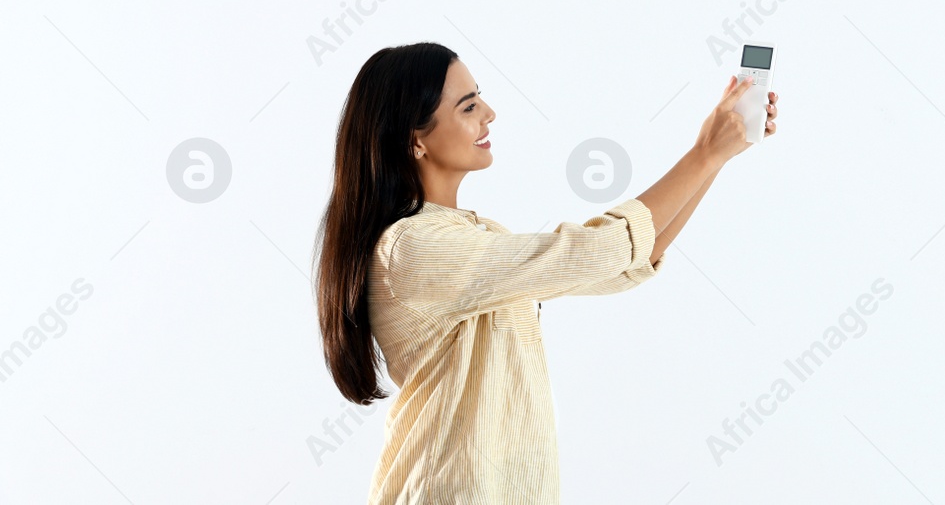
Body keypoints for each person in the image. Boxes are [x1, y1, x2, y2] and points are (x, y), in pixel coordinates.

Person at [313, 41, 777, 503]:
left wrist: (716, 156)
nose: (489, 113)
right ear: (415, 139)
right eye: (468, 106)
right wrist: (702, 153)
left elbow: (630, 254)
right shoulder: (413, 247)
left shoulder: (471, 237)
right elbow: (595, 251)